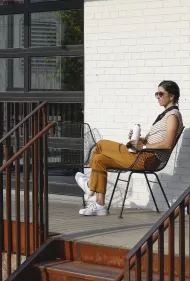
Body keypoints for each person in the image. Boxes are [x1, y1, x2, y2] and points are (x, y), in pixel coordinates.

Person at [75, 80, 183, 216]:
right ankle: (99, 205)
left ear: (171, 96)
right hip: (142, 155)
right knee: (99, 158)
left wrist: (143, 145)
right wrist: (139, 139)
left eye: (161, 94)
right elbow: (154, 140)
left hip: (147, 158)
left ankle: (90, 186)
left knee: (101, 144)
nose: (158, 97)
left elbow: (167, 144)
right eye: (157, 94)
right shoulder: (165, 116)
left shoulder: (172, 116)